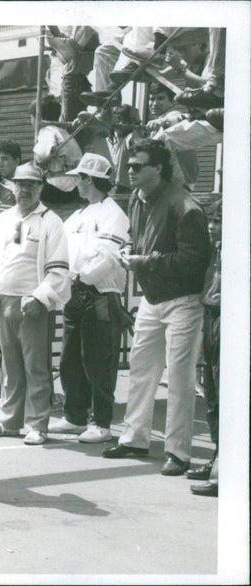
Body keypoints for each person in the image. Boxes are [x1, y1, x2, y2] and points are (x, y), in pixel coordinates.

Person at [102, 139, 211, 476]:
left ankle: (178, 453)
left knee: (179, 378)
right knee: (141, 369)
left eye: (137, 166)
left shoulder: (185, 205)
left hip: (183, 301)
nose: (129, 170)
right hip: (153, 297)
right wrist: (131, 250)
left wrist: (144, 261)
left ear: (158, 169)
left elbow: (194, 261)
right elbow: (138, 235)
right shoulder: (138, 198)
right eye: (129, 165)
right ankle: (135, 438)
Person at [0, 163, 70, 445]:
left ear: (41, 188)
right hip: (3, 300)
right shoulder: (4, 219)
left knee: (36, 366)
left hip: (32, 303)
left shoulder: (51, 221)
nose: (25, 190)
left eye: (31, 185)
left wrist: (39, 297)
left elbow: (59, 270)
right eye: (20, 184)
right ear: (13, 187)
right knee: (9, 365)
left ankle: (37, 424)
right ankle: (8, 420)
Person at [49, 154, 130, 443]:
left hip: (99, 295)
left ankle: (102, 422)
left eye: (80, 178)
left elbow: (108, 257)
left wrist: (83, 277)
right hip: (74, 292)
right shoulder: (78, 215)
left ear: (90, 180)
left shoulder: (114, 214)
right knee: (70, 359)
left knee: (98, 361)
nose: (76, 183)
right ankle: (75, 416)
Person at [189, 198, 221, 497]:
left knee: (227, 396)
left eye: (219, 222)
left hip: (228, 321)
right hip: (210, 318)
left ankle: (225, 469)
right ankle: (217, 458)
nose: (212, 227)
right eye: (211, 221)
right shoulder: (215, 251)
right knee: (211, 395)